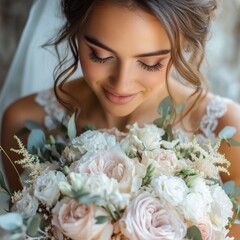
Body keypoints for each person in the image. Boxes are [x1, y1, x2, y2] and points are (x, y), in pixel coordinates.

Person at [1, 0, 240, 237]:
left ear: (183, 44)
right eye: (100, 55)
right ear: (76, 32)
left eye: (149, 63)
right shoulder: (25, 123)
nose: (121, 84)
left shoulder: (225, 129)